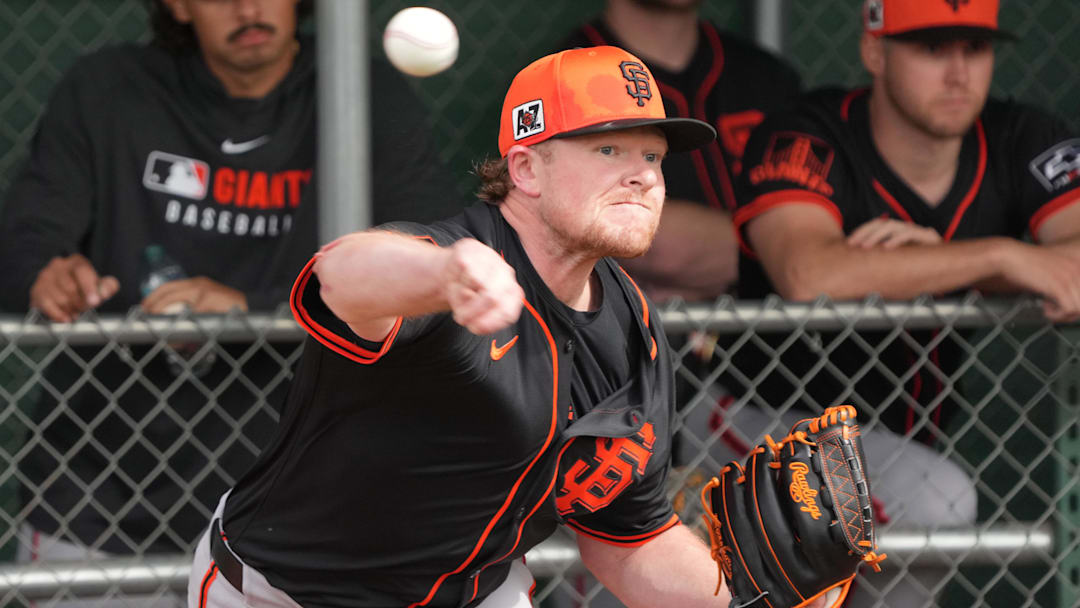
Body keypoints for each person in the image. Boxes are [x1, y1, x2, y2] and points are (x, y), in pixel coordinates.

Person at [187, 45, 831, 608]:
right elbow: (343, 274)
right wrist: (442, 276)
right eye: (608, 148)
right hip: (291, 593)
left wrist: (758, 601)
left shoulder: (634, 335)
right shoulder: (452, 261)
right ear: (525, 169)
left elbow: (630, 544)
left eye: (654, 157)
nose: (643, 175)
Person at [0, 0, 456, 604]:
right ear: (179, 5)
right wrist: (48, 275)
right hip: (101, 483)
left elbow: (428, 259)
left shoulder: (365, 94)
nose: (249, 8)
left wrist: (248, 306)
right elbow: (28, 237)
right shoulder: (108, 87)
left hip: (290, 501)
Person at [729, 0, 1080, 606]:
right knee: (935, 500)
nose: (958, 73)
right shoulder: (806, 132)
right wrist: (996, 258)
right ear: (875, 52)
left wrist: (948, 258)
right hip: (759, 420)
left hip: (902, 439)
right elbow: (809, 275)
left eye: (975, 48)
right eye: (931, 47)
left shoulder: (1020, 136)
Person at [561, 0, 801, 302]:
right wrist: (791, 252)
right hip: (641, 342)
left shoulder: (767, 77)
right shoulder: (565, 78)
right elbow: (658, 249)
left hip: (768, 340)